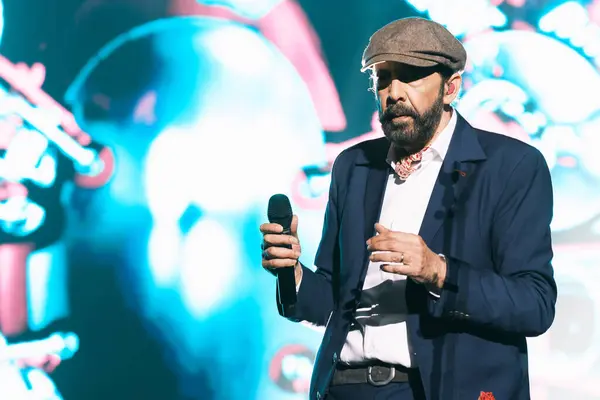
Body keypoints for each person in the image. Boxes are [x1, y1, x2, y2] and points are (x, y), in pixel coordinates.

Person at [260, 17, 557, 400]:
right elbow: (333, 302)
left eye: (411, 77)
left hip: (438, 389)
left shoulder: (509, 166)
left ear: (451, 88)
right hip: (346, 387)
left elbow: (534, 305)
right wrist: (293, 274)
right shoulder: (354, 167)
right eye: (383, 79)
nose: (394, 92)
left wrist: (437, 271)